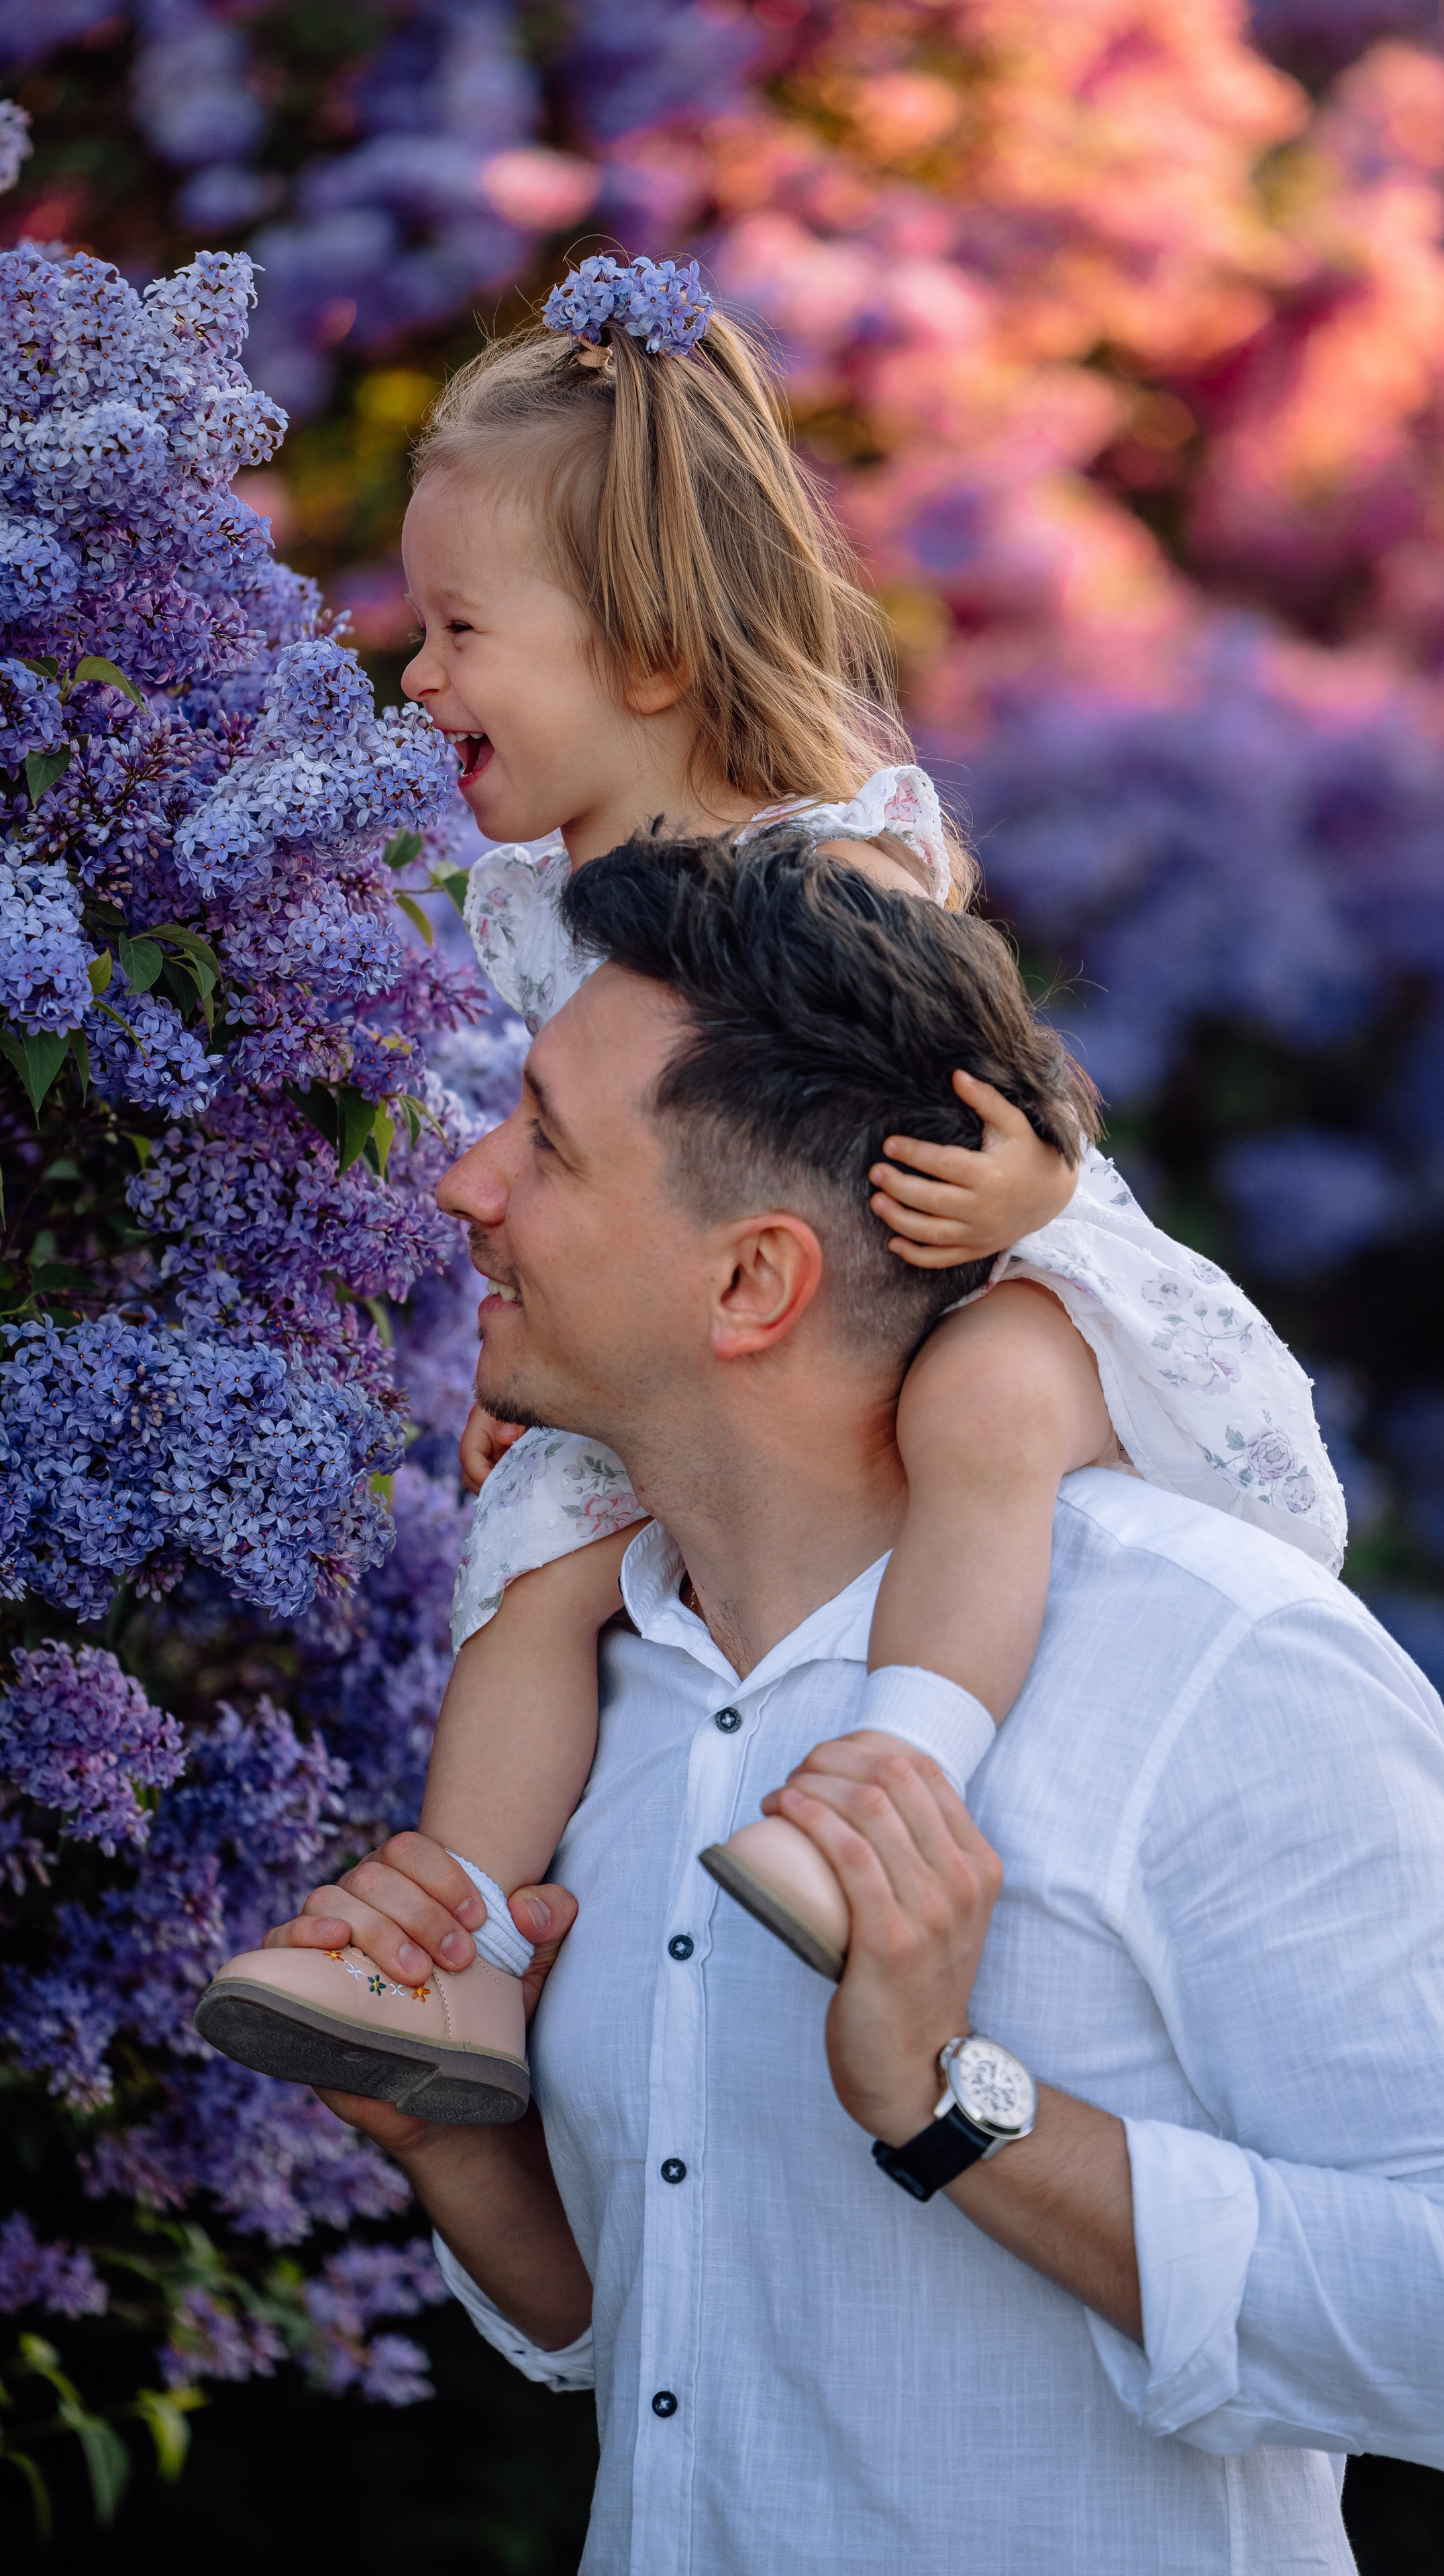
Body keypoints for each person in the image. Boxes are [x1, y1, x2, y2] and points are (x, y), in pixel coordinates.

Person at [226, 830, 1444, 2575]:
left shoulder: (1219, 1660)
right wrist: (456, 2154)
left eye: (547, 1146)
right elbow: (664, 2340)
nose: (466, 1186)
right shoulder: (593, 1687)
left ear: (755, 1283)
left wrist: (956, 2108)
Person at [196, 252, 1345, 2119]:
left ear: (646, 654)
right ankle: (468, 1959)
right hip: (745, 1324)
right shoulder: (538, 894)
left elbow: (1022, 1091)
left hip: (977, 1269)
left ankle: (884, 1785)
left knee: (984, 1408)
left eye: (463, 631)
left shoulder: (831, 856)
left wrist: (1029, 1193)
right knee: (537, 1556)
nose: (416, 675)